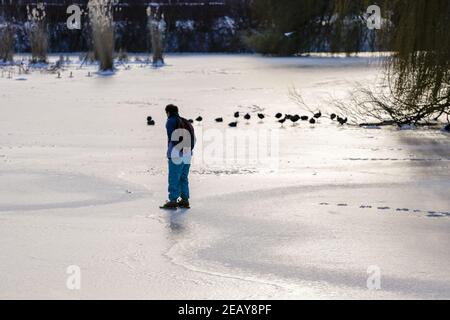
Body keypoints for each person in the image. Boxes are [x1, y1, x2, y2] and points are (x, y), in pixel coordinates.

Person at [160, 104, 195, 210]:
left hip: (176, 154)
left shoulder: (171, 121)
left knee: (174, 177)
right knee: (183, 177)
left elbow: (171, 138)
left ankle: (173, 200)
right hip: (187, 153)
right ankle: (185, 200)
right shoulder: (186, 122)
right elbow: (194, 138)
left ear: (168, 112)